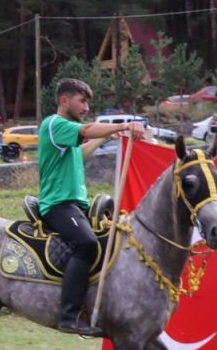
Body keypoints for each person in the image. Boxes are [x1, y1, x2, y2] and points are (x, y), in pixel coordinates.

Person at [39, 78, 146, 336]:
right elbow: (86, 129)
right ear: (65, 101)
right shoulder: (54, 125)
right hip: (58, 205)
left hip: (76, 206)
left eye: (87, 102)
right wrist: (122, 124)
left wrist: (110, 135)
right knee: (87, 244)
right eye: (82, 101)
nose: (86, 106)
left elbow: (81, 153)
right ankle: (68, 317)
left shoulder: (67, 135)